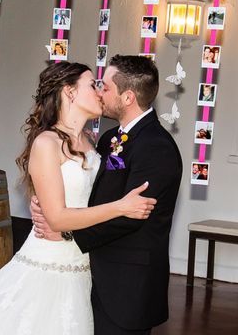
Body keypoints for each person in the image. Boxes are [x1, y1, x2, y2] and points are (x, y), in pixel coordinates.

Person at [0, 62, 157, 334]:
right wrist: (121, 207)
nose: (100, 91)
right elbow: (57, 217)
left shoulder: (96, 142)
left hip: (83, 262)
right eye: (92, 84)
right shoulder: (47, 143)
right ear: (70, 92)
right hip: (48, 261)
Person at [31, 56, 182, 334]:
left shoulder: (156, 146)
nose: (100, 92)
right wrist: (47, 200)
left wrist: (68, 236)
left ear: (127, 97)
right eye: (96, 85)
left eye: (106, 87)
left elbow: (131, 216)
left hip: (127, 283)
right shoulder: (107, 139)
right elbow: (95, 191)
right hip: (93, 272)